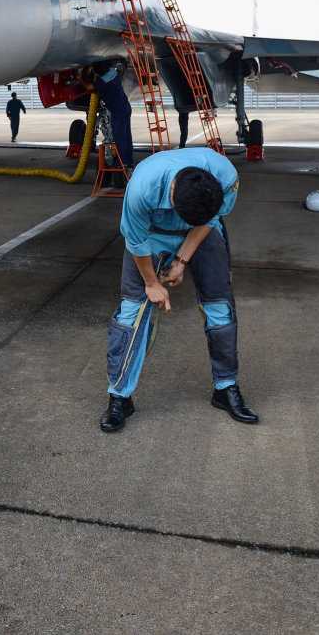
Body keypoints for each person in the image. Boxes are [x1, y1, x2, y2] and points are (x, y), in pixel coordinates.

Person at [100, 146, 258, 433]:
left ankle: (225, 387)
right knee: (130, 314)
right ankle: (119, 397)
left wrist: (182, 260)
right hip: (151, 235)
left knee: (219, 308)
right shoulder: (141, 189)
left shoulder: (225, 177)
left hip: (202, 231)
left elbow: (209, 220)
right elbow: (135, 243)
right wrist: (152, 283)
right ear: (172, 196)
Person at [84, 63, 134, 171]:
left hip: (118, 112)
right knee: (126, 136)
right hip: (126, 108)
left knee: (119, 137)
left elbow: (89, 88)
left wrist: (81, 77)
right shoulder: (113, 73)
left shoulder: (101, 82)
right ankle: (128, 161)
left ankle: (123, 163)